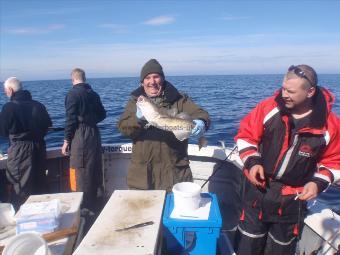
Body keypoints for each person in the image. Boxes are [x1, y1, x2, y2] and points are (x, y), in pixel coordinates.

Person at [234, 64, 340, 255]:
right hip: (257, 193)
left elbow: (334, 161)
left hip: (292, 200)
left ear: (310, 92)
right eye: (283, 88)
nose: (284, 94)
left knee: (281, 248)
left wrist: (318, 183)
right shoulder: (268, 107)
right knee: (247, 246)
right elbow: (246, 135)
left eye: (290, 91)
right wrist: (252, 161)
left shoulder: (330, 125)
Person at [118, 59, 210, 191]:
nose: (152, 82)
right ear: (142, 82)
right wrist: (138, 120)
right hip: (143, 177)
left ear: (163, 79)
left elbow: (201, 113)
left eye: (156, 76)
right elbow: (123, 127)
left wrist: (201, 121)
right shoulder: (135, 102)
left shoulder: (179, 99)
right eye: (147, 78)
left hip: (175, 174)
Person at [0, 77, 52, 208]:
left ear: (10, 90)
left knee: (20, 187)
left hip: (19, 151)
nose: (6, 93)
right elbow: (48, 125)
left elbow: (3, 131)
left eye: (5, 91)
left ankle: (23, 220)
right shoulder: (38, 105)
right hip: (39, 148)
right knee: (40, 183)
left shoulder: (9, 108)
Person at [61, 68, 106, 212]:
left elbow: (70, 120)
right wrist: (90, 121)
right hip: (94, 134)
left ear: (73, 79)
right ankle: (97, 204)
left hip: (80, 136)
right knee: (94, 169)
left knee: (79, 170)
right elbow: (103, 114)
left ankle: (85, 209)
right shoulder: (93, 94)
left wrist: (67, 141)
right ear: (84, 78)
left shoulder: (72, 94)